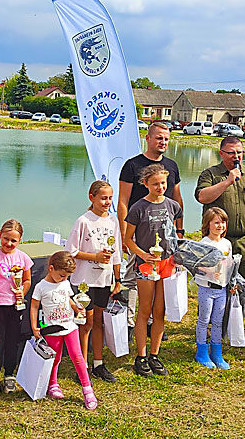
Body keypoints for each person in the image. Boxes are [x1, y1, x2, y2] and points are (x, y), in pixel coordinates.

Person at [196, 136, 245, 338]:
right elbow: (202, 197)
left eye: (239, 152)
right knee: (215, 282)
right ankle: (213, 323)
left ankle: (236, 322)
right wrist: (228, 180)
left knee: (242, 283)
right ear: (221, 154)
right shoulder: (210, 174)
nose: (236, 156)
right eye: (231, 152)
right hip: (217, 241)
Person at [118, 122, 184, 332]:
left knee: (160, 278)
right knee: (132, 280)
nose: (163, 142)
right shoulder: (132, 165)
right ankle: (129, 323)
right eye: (158, 138)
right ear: (148, 138)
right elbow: (122, 201)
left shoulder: (172, 166)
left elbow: (177, 199)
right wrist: (123, 233)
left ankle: (152, 323)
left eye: (166, 138)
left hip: (164, 235)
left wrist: (179, 231)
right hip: (138, 234)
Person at [123, 164, 182, 377]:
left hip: (167, 264)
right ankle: (140, 355)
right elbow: (127, 239)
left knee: (160, 312)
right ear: (145, 184)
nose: (160, 187)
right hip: (146, 264)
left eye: (163, 183)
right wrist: (142, 254)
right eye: (155, 184)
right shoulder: (138, 208)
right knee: (144, 311)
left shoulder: (172, 206)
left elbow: (174, 234)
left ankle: (154, 355)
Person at [64, 180, 122, 383]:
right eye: (103, 198)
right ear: (92, 197)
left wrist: (118, 278)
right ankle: (82, 366)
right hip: (84, 281)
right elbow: (71, 251)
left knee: (98, 320)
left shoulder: (113, 221)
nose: (107, 202)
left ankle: (98, 363)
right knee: (85, 322)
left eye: (110, 198)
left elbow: (117, 253)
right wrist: (94, 257)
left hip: (104, 279)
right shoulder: (83, 221)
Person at [29, 251, 97, 410]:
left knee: (77, 356)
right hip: (52, 329)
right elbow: (34, 306)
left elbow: (69, 299)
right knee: (55, 358)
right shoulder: (41, 286)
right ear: (51, 268)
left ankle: (87, 390)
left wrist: (77, 308)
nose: (64, 279)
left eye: (67, 277)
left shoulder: (65, 283)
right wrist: (34, 326)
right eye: (61, 276)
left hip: (70, 326)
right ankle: (52, 384)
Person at [0, 219, 33, 395]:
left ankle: (9, 374)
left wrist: (22, 292)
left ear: (20, 240)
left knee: (12, 340)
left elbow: (27, 281)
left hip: (15, 307)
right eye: (6, 239)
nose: (9, 243)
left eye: (14, 240)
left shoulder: (23, 258)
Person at [193, 207, 235, 370]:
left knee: (218, 321)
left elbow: (229, 264)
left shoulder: (227, 243)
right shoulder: (203, 243)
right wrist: (209, 270)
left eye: (223, 222)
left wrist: (231, 281)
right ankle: (202, 352)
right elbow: (195, 264)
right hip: (206, 288)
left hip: (222, 288)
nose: (220, 226)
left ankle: (217, 352)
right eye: (216, 222)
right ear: (207, 224)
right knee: (204, 320)